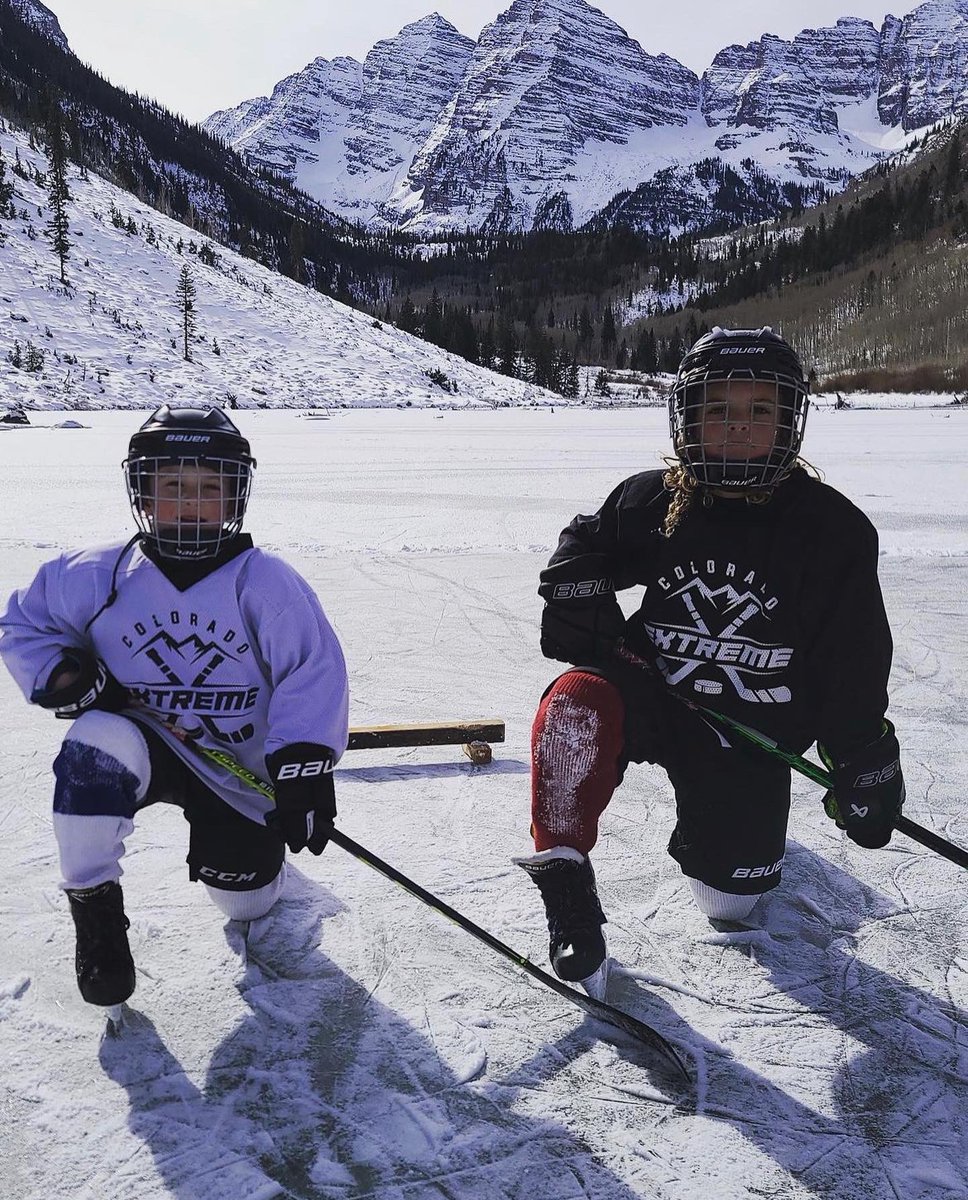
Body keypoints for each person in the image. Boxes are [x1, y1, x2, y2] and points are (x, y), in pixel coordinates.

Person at [514, 327, 904, 989]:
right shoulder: (655, 500)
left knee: (727, 905)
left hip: (750, 732)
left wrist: (863, 757)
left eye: (760, 411)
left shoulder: (831, 530)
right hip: (654, 692)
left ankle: (735, 839)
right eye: (719, 410)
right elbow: (586, 542)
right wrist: (575, 588)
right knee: (573, 702)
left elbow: (853, 658)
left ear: (789, 420)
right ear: (688, 418)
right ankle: (564, 872)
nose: (740, 428)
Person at [0, 405, 349, 1009]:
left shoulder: (264, 582)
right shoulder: (93, 574)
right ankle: (96, 912)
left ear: (235, 494)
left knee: (244, 904)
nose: (191, 502)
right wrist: (71, 681)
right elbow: (21, 624)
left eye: (210, 486)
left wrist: (302, 767)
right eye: (173, 486)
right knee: (93, 747)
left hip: (234, 769)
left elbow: (311, 674)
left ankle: (262, 874)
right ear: (144, 491)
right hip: (142, 740)